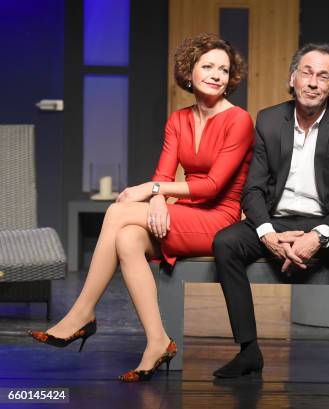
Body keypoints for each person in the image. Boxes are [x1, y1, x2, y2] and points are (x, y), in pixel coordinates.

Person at [28, 33, 254, 382]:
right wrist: (159, 200)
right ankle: (157, 341)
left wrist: (152, 191)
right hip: (185, 212)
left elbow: (212, 187)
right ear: (189, 72)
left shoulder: (239, 120)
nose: (216, 74)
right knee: (129, 238)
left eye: (223, 69)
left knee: (118, 212)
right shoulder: (178, 119)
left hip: (219, 218)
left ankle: (82, 314)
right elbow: (163, 174)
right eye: (207, 66)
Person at [211, 44, 329, 386]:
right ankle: (248, 350)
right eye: (307, 73)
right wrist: (269, 235)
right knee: (225, 242)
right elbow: (252, 190)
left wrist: (318, 235)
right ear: (293, 78)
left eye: (323, 76)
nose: (313, 82)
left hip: (326, 222)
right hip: (278, 220)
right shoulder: (269, 120)